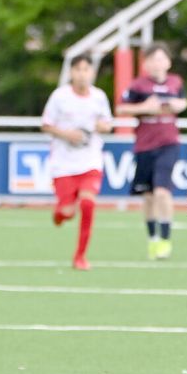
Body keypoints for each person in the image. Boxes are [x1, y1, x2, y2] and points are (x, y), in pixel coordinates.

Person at [115, 42, 187, 260]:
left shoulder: (175, 82)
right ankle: (153, 239)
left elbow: (183, 101)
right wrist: (144, 108)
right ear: (145, 63)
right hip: (145, 146)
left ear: (168, 62)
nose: (157, 63)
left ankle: (165, 240)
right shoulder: (138, 85)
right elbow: (121, 107)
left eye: (161, 59)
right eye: (153, 59)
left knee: (162, 191)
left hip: (169, 143)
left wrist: (178, 105)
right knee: (147, 196)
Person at [41, 54, 113, 270]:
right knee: (68, 212)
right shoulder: (59, 96)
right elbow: (46, 125)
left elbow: (107, 124)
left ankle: (80, 256)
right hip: (63, 163)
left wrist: (102, 126)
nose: (82, 74)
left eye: (86, 70)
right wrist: (66, 134)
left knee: (88, 203)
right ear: (71, 72)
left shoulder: (99, 97)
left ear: (92, 73)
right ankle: (60, 212)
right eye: (78, 70)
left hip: (90, 160)